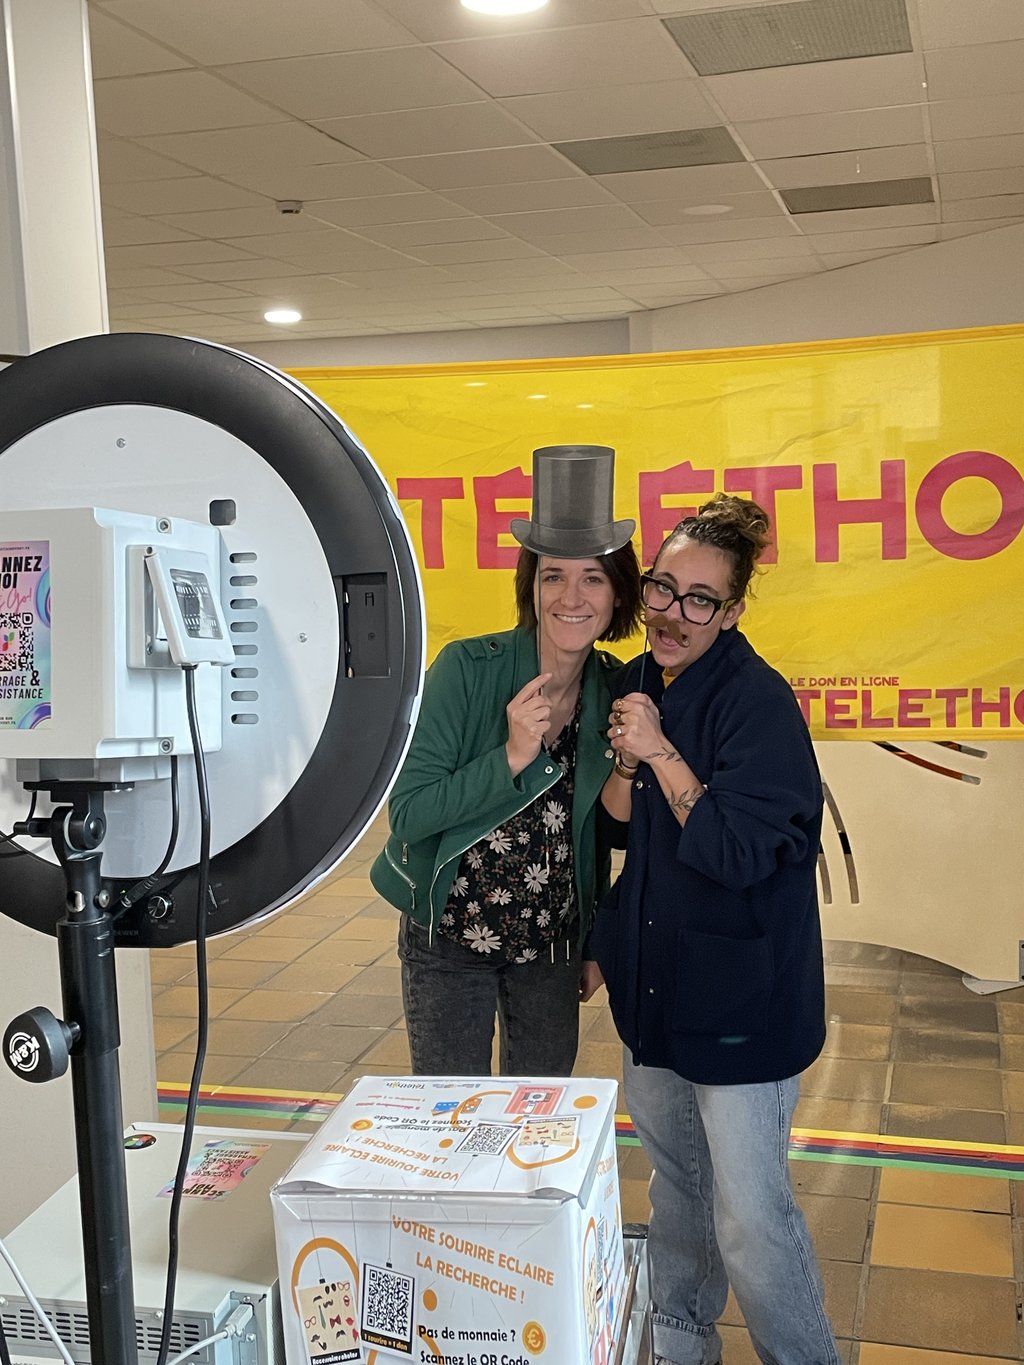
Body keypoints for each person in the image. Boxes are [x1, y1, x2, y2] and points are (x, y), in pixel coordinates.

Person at [585, 494, 839, 1365]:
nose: (672, 613)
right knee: (678, 1187)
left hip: (741, 1003)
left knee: (750, 1214)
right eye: (663, 587)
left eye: (700, 599)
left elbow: (736, 850)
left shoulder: (758, 703)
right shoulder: (639, 680)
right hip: (658, 986)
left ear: (730, 612)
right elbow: (620, 827)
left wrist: (659, 752)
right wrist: (628, 760)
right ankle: (683, 1335)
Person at [371, 445, 642, 1076]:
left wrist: (594, 939)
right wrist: (513, 756)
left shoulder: (613, 688)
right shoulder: (467, 669)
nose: (571, 596)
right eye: (553, 576)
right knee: (450, 1114)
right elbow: (409, 814)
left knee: (537, 1113)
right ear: (532, 586)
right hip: (451, 930)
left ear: (616, 594)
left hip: (551, 942)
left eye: (593, 578)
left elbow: (598, 838)